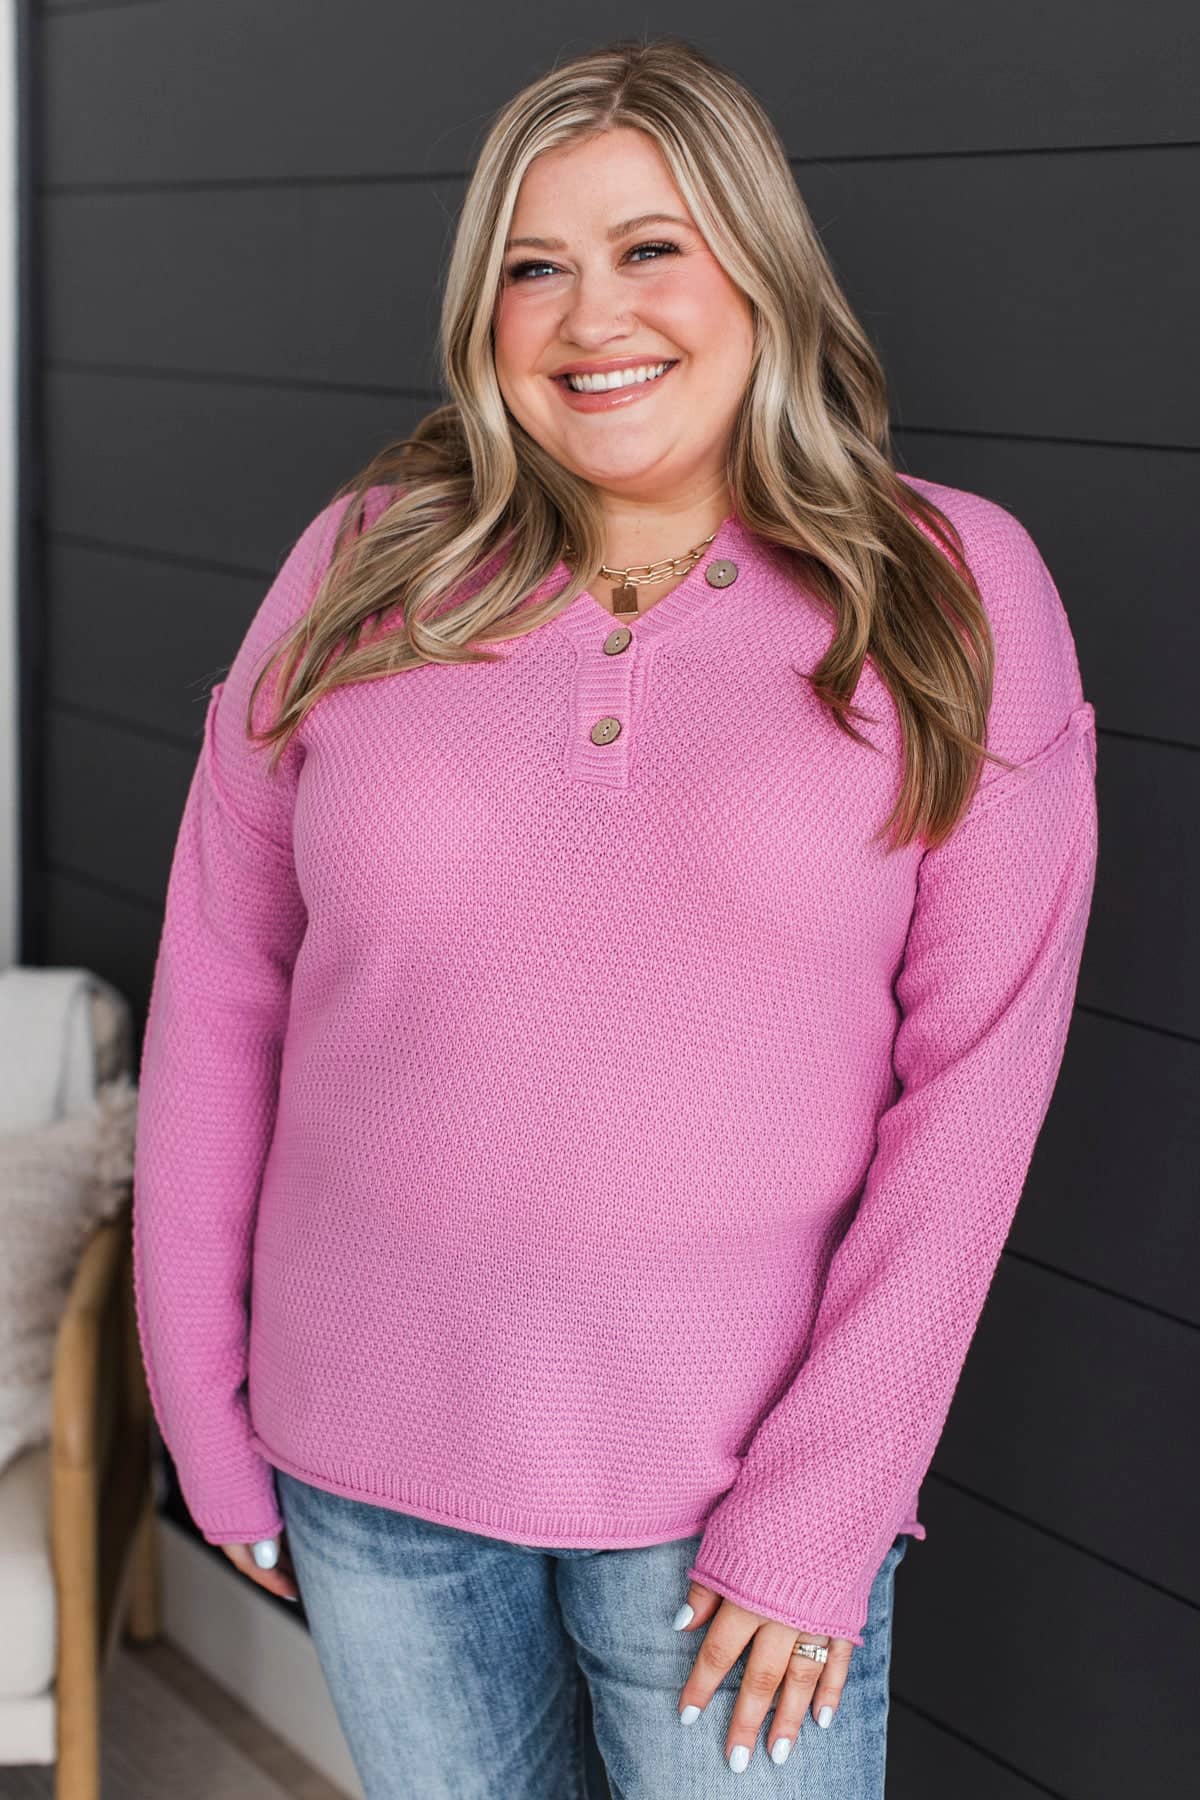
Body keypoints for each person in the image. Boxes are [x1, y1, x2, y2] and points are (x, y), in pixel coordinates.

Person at [131, 33, 1099, 1799]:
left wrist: (828, 1501)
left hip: (732, 1505)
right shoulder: (360, 565)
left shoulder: (949, 588)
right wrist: (200, 1404)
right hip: (367, 1471)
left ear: (761, 269)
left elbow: (977, 1082)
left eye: (652, 246)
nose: (592, 317)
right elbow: (218, 990)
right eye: (533, 266)